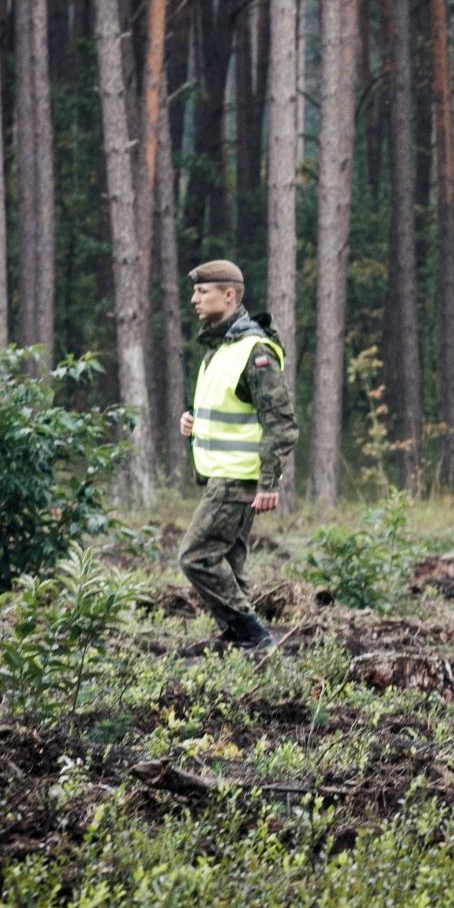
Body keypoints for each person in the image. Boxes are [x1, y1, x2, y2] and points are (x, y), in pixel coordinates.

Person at [177, 260, 299, 651]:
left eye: (203, 292)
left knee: (195, 557)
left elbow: (280, 422)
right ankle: (243, 649)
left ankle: (252, 636)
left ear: (229, 295)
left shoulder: (254, 351)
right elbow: (232, 410)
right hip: (223, 475)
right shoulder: (219, 347)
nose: (194, 299)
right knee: (230, 562)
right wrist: (193, 423)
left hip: (238, 479)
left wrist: (269, 483)